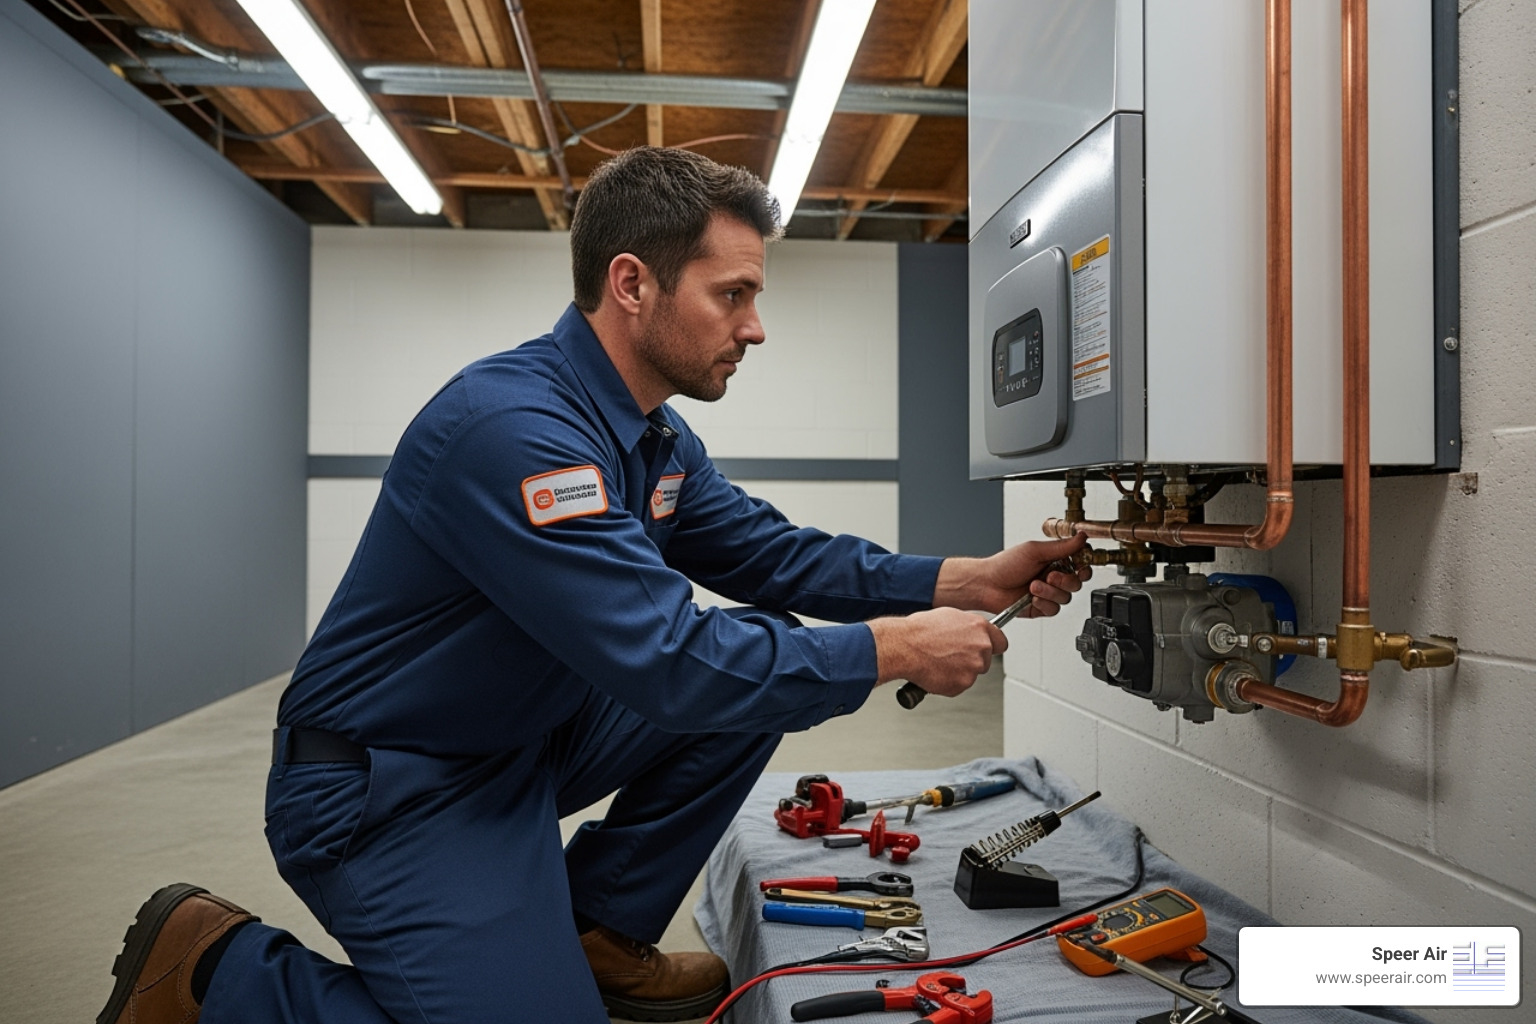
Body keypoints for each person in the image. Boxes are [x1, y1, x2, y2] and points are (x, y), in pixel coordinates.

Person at [97, 146, 1089, 1024]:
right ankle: (216, 969)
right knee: (731, 672)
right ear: (633, 283)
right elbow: (668, 662)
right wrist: (901, 647)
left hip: (513, 745)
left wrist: (969, 579)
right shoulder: (514, 429)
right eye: (733, 294)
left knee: (769, 645)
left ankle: (595, 931)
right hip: (386, 787)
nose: (756, 327)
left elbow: (776, 557)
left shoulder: (651, 437)